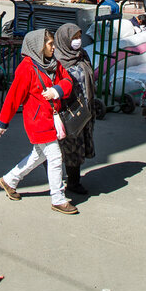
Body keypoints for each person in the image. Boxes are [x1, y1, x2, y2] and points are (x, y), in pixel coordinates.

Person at [0, 29, 78, 215]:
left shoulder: (53, 63)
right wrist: (2, 122)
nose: (53, 47)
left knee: (38, 155)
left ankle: (9, 180)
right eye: (50, 44)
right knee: (55, 157)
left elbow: (67, 80)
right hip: (37, 121)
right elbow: (13, 97)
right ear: (38, 46)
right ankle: (58, 198)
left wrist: (56, 90)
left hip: (52, 117)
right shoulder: (26, 67)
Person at [53, 23, 96, 195]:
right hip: (65, 110)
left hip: (83, 110)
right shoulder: (56, 59)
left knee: (77, 146)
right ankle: (55, 182)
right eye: (74, 38)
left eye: (79, 37)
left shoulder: (82, 55)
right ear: (65, 39)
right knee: (59, 148)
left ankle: (73, 182)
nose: (78, 41)